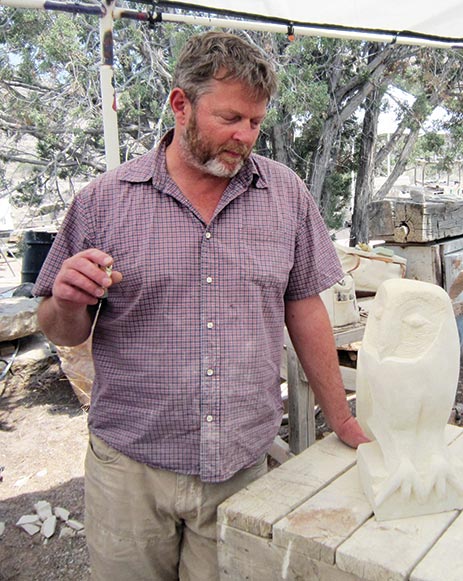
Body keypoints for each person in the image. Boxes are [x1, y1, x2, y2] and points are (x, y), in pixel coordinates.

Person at [33, 31, 368, 581]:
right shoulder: (103, 200)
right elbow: (63, 330)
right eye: (230, 119)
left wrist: (342, 418)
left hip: (242, 463)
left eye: (256, 123)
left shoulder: (286, 196)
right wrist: (66, 300)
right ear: (180, 104)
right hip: (131, 470)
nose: (245, 137)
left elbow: (305, 308)